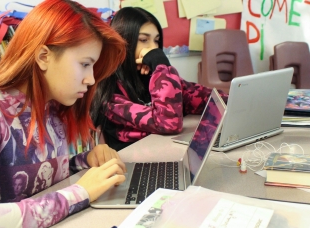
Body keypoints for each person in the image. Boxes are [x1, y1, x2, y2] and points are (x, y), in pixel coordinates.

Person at [0, 0, 127, 228]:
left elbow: (40, 180)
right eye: (85, 64)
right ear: (43, 56)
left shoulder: (52, 105)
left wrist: (87, 161)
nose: (91, 79)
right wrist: (80, 193)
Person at [90, 7, 229, 151]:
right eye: (144, 40)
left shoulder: (155, 75)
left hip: (164, 152)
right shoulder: (109, 94)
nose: (153, 48)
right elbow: (169, 123)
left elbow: (216, 100)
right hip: (133, 164)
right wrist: (160, 62)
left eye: (156, 41)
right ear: (123, 42)